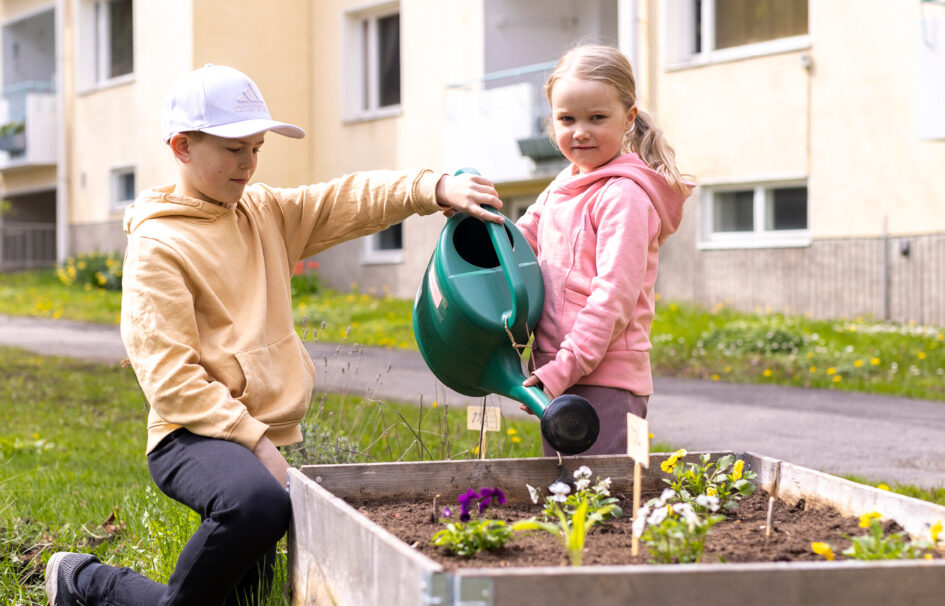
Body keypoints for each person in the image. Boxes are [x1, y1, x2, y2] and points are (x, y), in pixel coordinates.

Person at [44, 63, 502, 606]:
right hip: (191, 432)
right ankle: (88, 584)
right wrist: (256, 443)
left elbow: (343, 199)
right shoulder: (158, 246)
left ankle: (87, 583)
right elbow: (169, 379)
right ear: (182, 146)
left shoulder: (262, 211)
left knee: (245, 596)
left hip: (255, 433)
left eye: (256, 148)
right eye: (234, 148)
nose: (248, 164)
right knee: (258, 504)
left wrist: (434, 187)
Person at [515, 45, 692, 456]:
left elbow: (613, 296)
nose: (580, 131)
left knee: (606, 502)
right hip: (558, 372)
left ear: (628, 117)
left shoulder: (623, 196)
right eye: (566, 119)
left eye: (597, 118)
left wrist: (563, 368)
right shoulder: (563, 184)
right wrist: (474, 224)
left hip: (606, 380)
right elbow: (518, 244)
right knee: (565, 500)